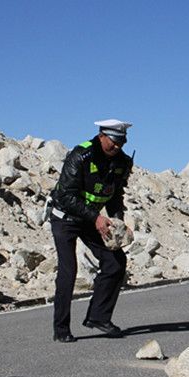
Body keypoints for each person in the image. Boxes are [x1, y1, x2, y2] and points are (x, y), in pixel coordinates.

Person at [48, 119, 134, 342]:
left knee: (116, 262)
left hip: (90, 219)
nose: (117, 146)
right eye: (114, 141)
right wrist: (96, 217)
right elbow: (66, 196)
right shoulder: (81, 155)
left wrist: (117, 221)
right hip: (65, 218)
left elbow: (115, 195)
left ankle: (98, 317)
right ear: (101, 136)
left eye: (122, 142)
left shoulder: (122, 162)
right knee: (68, 271)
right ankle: (61, 328)